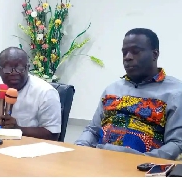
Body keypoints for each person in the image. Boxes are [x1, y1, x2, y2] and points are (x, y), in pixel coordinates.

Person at [75, 28, 182, 160]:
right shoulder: (112, 90)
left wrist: (142, 163)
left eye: (135, 52)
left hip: (143, 167)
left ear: (155, 54)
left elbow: (176, 144)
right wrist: (78, 150)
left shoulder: (175, 93)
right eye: (124, 52)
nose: (128, 57)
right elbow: (92, 130)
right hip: (100, 162)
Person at [0, 47, 61, 141]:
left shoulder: (46, 92)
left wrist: (17, 129)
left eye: (19, 68)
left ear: (27, 68)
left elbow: (53, 134)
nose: (14, 73)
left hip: (28, 150)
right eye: (7, 68)